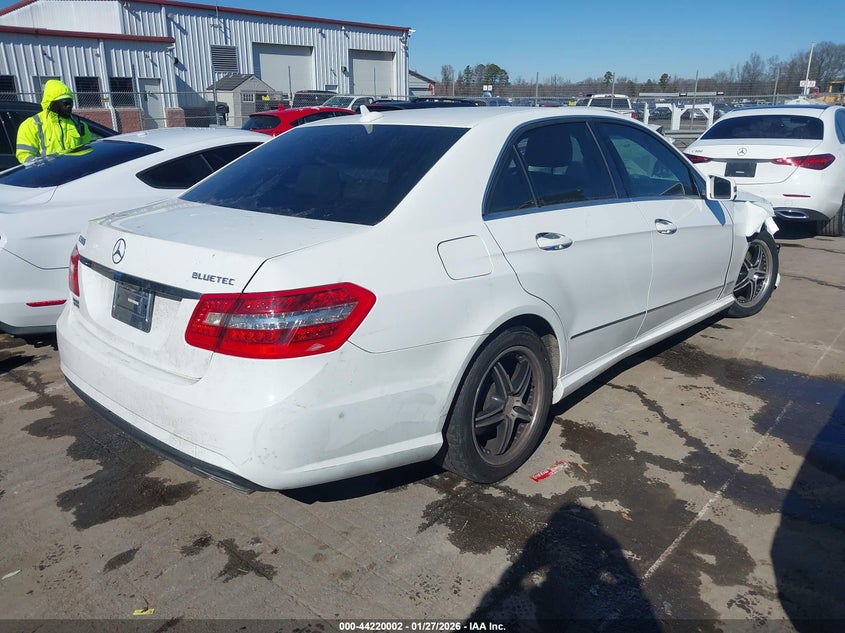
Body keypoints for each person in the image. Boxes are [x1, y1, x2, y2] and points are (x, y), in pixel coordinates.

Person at [16, 79, 92, 163]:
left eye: (71, 103)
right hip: (48, 174)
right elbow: (24, 155)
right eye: (65, 103)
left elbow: (89, 149)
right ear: (51, 103)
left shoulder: (79, 124)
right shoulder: (32, 125)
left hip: (77, 173)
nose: (69, 106)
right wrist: (41, 168)